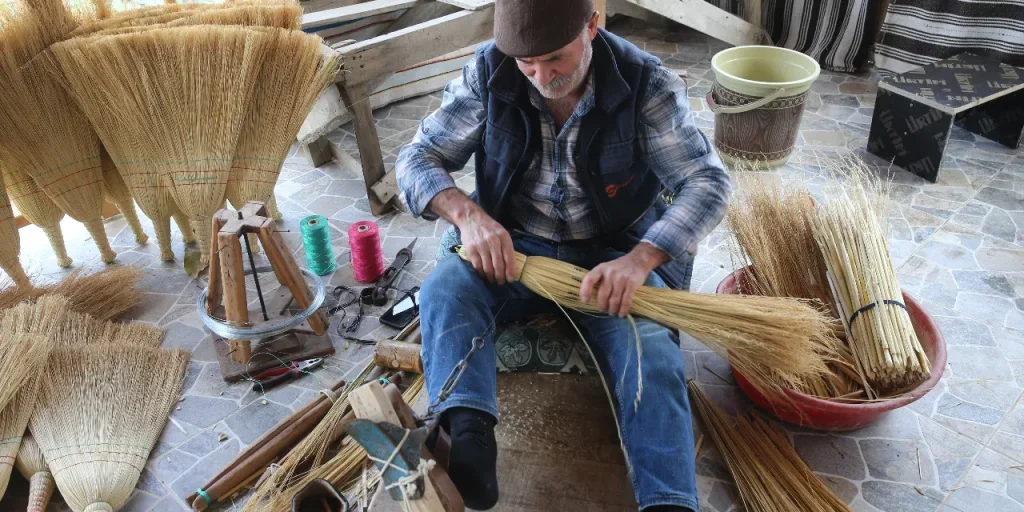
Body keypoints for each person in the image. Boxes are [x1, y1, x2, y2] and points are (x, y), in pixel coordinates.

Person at [395, 1, 731, 510]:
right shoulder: (490, 71)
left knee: (651, 351)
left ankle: (669, 500)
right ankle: (469, 438)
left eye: (555, 58)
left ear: (592, 26)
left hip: (610, 257)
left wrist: (641, 260)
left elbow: (707, 181)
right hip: (514, 246)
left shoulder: (645, 83)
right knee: (445, 290)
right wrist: (469, 216)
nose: (540, 76)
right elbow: (417, 158)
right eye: (526, 63)